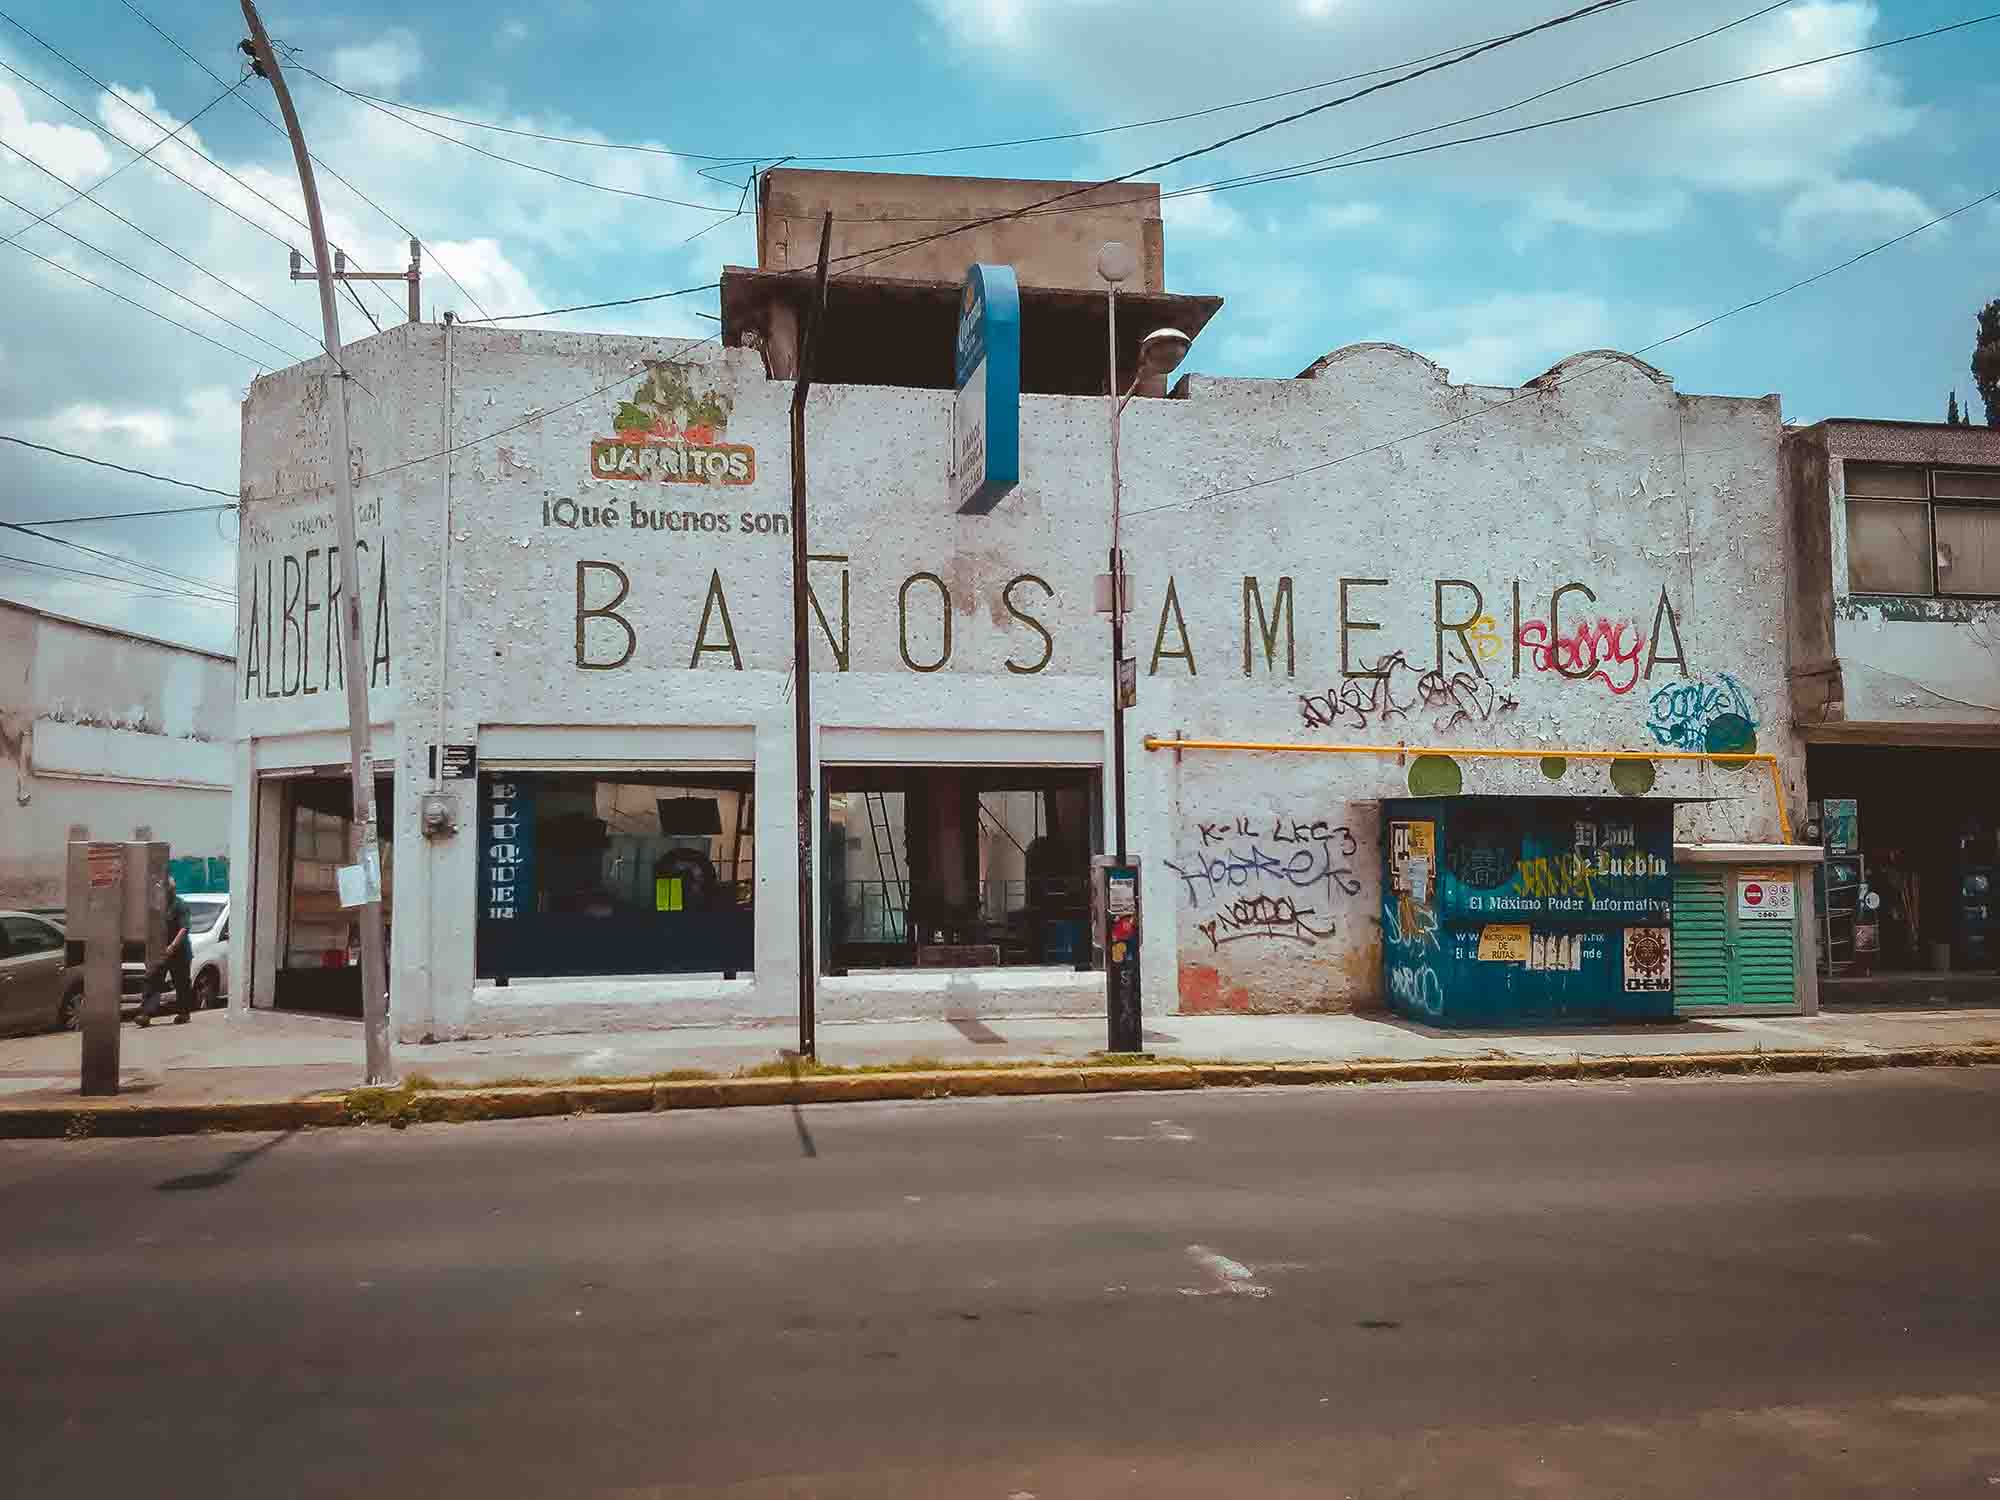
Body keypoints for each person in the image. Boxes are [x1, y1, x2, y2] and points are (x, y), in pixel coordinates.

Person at [136, 877, 194, 1027]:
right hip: (160, 950)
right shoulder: (157, 906)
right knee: (153, 979)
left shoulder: (180, 905)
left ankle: (183, 1013)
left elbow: (184, 928)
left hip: (179, 952)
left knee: (181, 983)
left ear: (172, 891)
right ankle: (145, 1014)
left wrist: (172, 946)